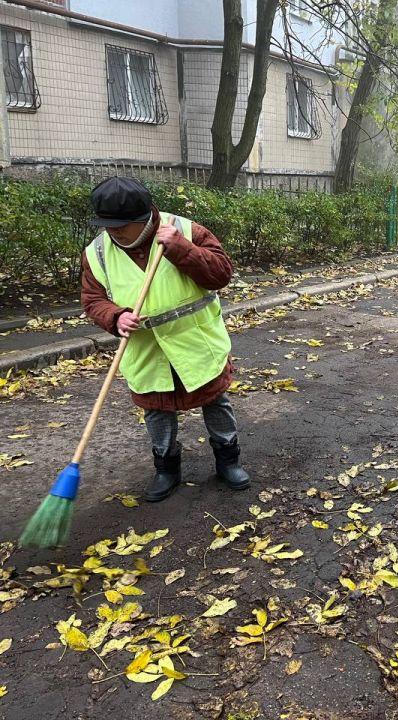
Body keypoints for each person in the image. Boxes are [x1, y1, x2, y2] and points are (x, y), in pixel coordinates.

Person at [81, 176, 250, 502]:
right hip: (147, 353)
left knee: (215, 402)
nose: (114, 231)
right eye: (108, 224)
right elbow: (93, 299)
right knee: (156, 411)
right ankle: (166, 469)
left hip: (196, 344)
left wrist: (181, 249)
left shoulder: (185, 231)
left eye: (122, 224)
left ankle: (228, 461)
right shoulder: (97, 252)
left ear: (145, 217)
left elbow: (221, 274)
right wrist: (114, 317)